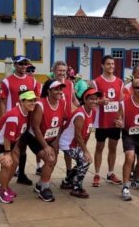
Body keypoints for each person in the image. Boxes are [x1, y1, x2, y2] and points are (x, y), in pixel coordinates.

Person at [0, 90, 37, 204]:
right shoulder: (14, 116)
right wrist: (7, 153)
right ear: (21, 101)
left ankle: (5, 186)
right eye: (30, 100)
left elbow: (19, 133)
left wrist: (14, 150)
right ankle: (2, 191)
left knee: (15, 161)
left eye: (34, 100)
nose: (33, 103)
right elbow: (6, 137)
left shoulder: (26, 113)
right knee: (7, 164)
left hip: (9, 141)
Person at [0, 55, 41, 185]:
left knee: (22, 148)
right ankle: (2, 182)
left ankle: (21, 175)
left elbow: (37, 100)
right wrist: (3, 119)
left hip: (27, 121)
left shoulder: (33, 81)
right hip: (13, 121)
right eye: (20, 64)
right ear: (15, 65)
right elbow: (2, 101)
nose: (23, 66)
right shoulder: (7, 81)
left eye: (25, 64)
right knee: (10, 152)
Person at [25, 79, 66, 202]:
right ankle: (44, 189)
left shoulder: (62, 103)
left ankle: (39, 184)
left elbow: (60, 124)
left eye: (60, 89)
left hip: (51, 137)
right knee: (49, 159)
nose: (59, 91)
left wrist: (56, 140)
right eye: (56, 89)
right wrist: (45, 146)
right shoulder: (41, 104)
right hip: (35, 138)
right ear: (48, 91)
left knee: (53, 161)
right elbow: (35, 127)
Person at [59, 88, 101, 198]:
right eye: (91, 99)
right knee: (85, 161)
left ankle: (67, 181)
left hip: (74, 143)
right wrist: (85, 151)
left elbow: (87, 132)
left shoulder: (93, 112)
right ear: (85, 99)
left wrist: (84, 148)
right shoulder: (80, 114)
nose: (94, 101)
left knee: (81, 161)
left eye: (96, 99)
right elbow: (77, 135)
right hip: (67, 143)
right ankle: (77, 188)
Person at [92, 55, 123, 187]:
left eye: (112, 64)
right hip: (101, 121)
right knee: (99, 147)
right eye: (108, 64)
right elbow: (91, 101)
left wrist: (120, 118)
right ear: (102, 66)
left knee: (113, 147)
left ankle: (110, 173)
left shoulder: (120, 82)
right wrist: (100, 101)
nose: (111, 66)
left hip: (114, 121)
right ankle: (97, 174)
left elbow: (121, 102)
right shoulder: (96, 82)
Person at [50, 61, 80, 190]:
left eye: (64, 70)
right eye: (59, 70)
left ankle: (68, 174)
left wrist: (83, 108)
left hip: (67, 122)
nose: (62, 73)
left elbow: (74, 100)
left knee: (68, 149)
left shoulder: (70, 84)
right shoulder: (49, 85)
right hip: (55, 122)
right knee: (53, 150)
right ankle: (47, 177)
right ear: (54, 71)